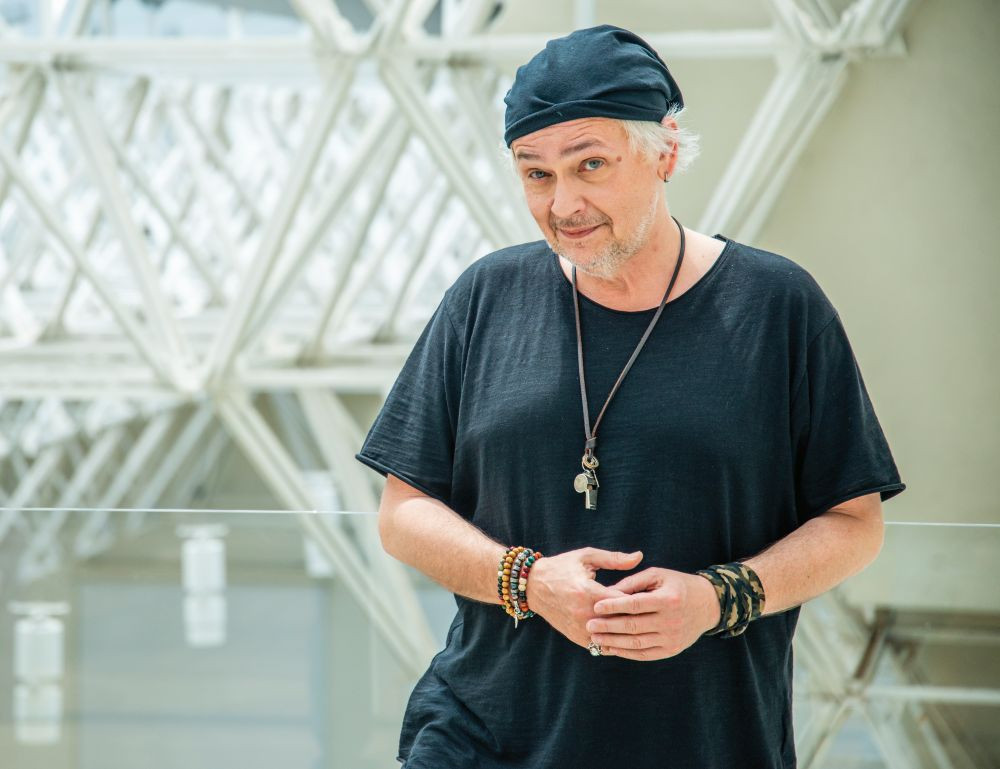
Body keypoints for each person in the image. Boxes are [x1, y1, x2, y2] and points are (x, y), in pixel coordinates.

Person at [355, 24, 905, 769]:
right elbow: (403, 512)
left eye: (591, 164)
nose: (563, 203)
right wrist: (527, 580)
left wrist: (719, 598)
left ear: (665, 152)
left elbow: (854, 524)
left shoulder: (777, 306)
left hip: (703, 741)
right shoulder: (485, 296)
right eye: (536, 174)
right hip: (481, 737)